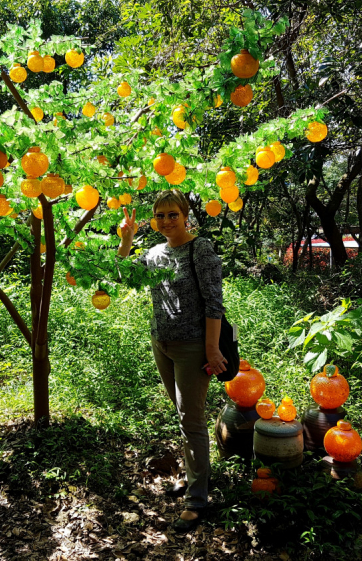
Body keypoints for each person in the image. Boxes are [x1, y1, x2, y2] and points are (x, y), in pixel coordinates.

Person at [117, 189, 227, 532]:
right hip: (161, 344)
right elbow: (125, 276)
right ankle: (197, 476)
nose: (166, 222)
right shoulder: (153, 252)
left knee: (190, 419)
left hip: (193, 347)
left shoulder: (200, 248)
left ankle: (197, 500)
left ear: (186, 216)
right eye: (160, 216)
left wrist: (211, 350)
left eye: (172, 215)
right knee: (183, 416)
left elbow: (213, 303)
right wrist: (127, 240)